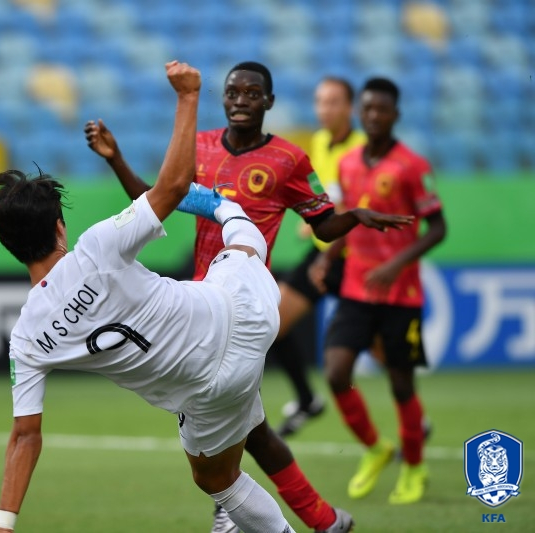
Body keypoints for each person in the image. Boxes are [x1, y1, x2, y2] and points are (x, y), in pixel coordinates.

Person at [85, 61, 412, 533]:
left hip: (244, 307)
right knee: (250, 428)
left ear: (269, 102)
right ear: (223, 100)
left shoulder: (290, 160)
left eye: (252, 93)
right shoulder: (198, 147)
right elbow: (153, 200)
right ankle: (320, 520)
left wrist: (355, 216)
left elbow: (322, 225)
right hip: (200, 305)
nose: (241, 100)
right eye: (233, 92)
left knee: (223, 419)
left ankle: (234, 513)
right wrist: (116, 159)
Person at [0, 61, 298, 533]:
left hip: (207, 389)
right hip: (245, 315)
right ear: (59, 227)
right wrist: (189, 95)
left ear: (9, 248)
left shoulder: (28, 340)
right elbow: (172, 188)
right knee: (237, 232)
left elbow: (24, 437)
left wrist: (3, 526)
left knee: (217, 480)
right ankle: (225, 206)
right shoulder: (97, 246)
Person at [313, 77, 447, 505]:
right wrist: (326, 258)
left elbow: (439, 227)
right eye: (367, 109)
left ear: (395, 115)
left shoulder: (412, 165)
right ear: (361, 112)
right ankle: (375, 448)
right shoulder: (349, 163)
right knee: (336, 373)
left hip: (400, 295)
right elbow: (350, 221)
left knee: (401, 386)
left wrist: (397, 262)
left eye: (381, 110)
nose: (373, 116)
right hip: (356, 288)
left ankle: (413, 465)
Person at [271, 77, 367, 438]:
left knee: (385, 349)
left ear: (350, 108)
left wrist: (329, 214)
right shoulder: (320, 142)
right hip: (325, 252)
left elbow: (358, 204)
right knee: (273, 321)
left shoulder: (363, 148)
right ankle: (307, 399)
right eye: (320, 102)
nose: (324, 109)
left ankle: (414, 422)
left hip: (357, 256)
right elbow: (326, 197)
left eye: (332, 102)